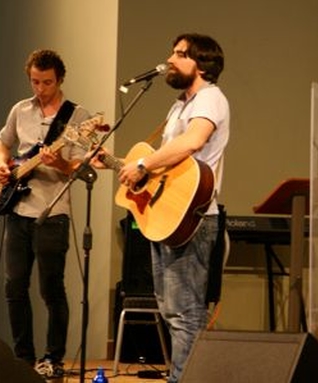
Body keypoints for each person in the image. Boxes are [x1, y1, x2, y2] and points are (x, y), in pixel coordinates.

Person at [97, 33, 229, 383]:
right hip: (167, 217)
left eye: (180, 54)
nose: (170, 59)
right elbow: (164, 165)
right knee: (171, 310)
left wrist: (141, 166)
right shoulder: (178, 106)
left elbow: (192, 142)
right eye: (171, 51)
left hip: (194, 219)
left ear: (201, 64)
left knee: (186, 312)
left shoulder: (210, 98)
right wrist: (117, 163)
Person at [0, 49, 92, 379]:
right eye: (35, 81)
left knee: (52, 289)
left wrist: (59, 162)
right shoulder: (20, 109)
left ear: (59, 79)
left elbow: (80, 166)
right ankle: (23, 358)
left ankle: (53, 358)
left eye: (47, 82)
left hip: (53, 212)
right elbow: (3, 144)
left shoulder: (77, 117)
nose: (40, 88)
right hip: (18, 209)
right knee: (14, 287)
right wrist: (3, 164)